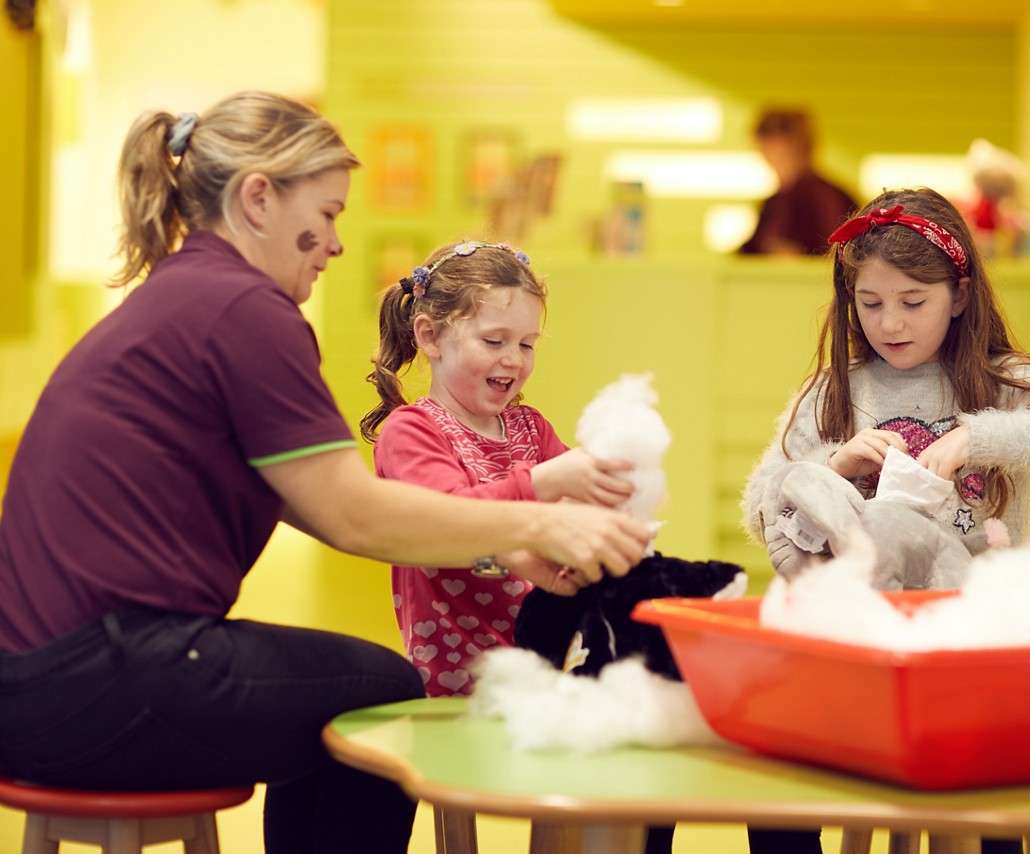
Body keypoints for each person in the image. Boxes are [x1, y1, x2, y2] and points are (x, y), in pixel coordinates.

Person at [0, 91, 650, 854]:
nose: (337, 244)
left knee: (336, 684)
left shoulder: (189, 294)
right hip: (98, 678)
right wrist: (544, 518)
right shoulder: (245, 308)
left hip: (40, 681)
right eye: (330, 213)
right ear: (258, 198)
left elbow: (325, 508)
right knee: (378, 694)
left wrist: (502, 543)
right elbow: (356, 516)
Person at [742, 187, 1030, 854]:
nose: (890, 324)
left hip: (979, 656)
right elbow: (758, 509)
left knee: (991, 802)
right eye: (870, 304)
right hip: (861, 648)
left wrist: (986, 440)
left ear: (961, 294)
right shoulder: (834, 390)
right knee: (768, 764)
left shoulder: (1009, 383)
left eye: (913, 302)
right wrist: (831, 466)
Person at [361, 239, 636, 696]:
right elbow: (449, 518)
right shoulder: (410, 432)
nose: (513, 359)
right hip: (453, 689)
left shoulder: (530, 428)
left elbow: (576, 511)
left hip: (542, 677)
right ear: (430, 336)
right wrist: (543, 482)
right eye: (494, 341)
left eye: (527, 344)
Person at [738, 108, 857, 256]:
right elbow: (749, 252)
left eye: (779, 148)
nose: (772, 155)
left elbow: (837, 254)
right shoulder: (774, 203)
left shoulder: (825, 198)